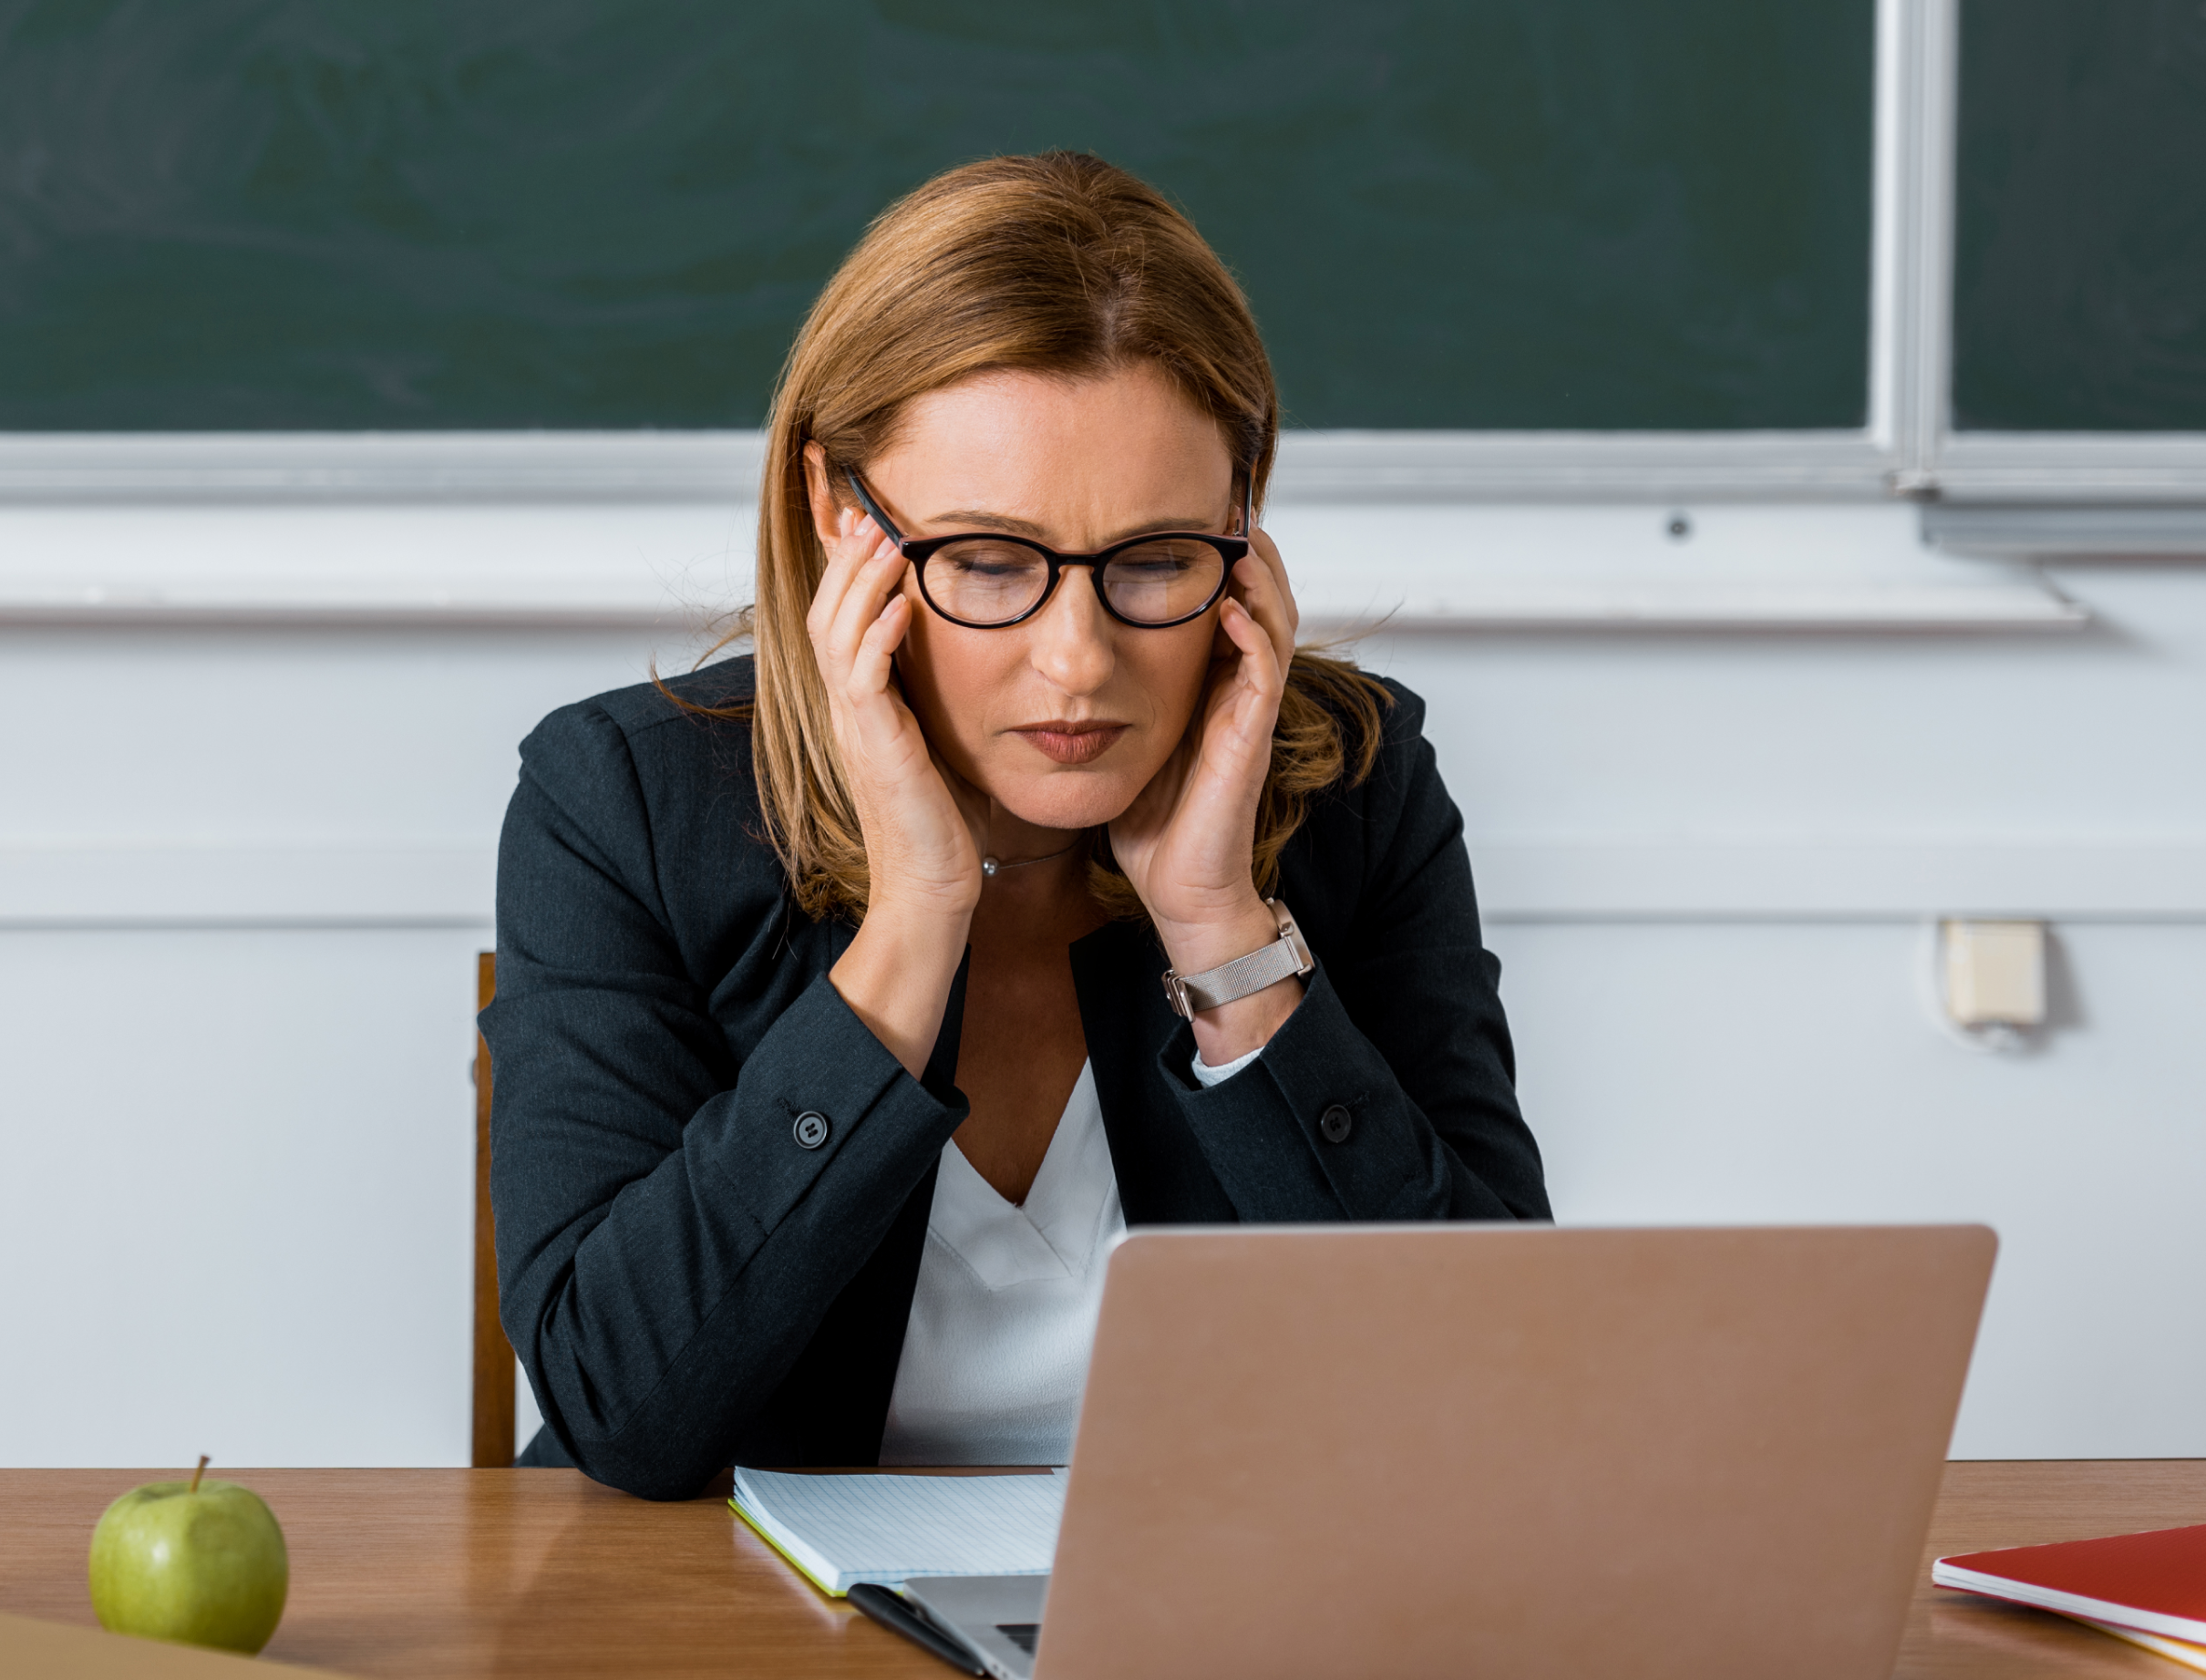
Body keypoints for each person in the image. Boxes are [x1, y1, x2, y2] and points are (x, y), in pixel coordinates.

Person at [482, 152, 1547, 1500]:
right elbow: (623, 1418)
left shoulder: (1356, 789)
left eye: (1156, 559)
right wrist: (916, 927)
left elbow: (1482, 1391)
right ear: (838, 516)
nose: (1077, 662)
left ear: (1242, 518)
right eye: (990, 563)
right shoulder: (623, 803)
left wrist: (1224, 937)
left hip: (1214, 1615)